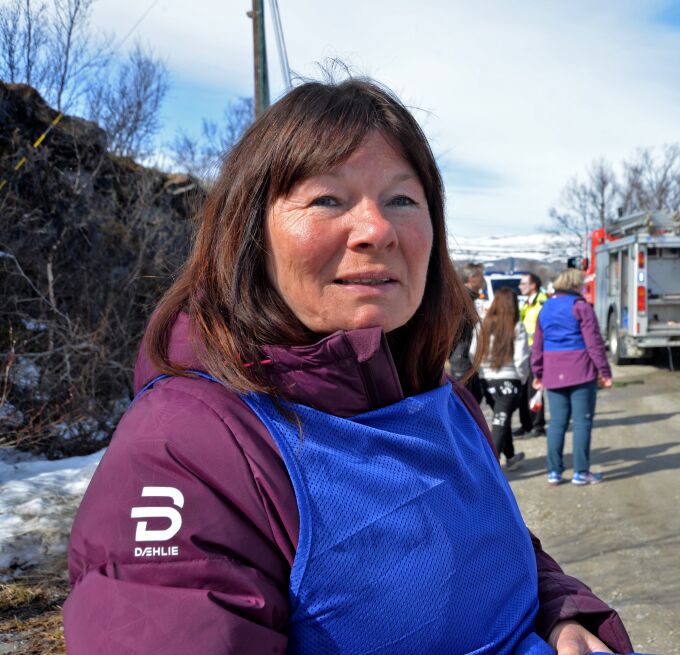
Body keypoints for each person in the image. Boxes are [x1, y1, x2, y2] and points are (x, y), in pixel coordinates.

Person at [63, 79, 633, 654]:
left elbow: (498, 547)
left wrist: (562, 613)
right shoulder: (190, 444)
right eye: (328, 199)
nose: (377, 230)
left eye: (402, 200)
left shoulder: (438, 392)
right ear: (250, 233)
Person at [531, 268, 613, 486]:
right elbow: (594, 343)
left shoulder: (545, 308)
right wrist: (604, 372)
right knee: (582, 423)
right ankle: (581, 472)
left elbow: (537, 345)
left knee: (557, 423)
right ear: (576, 285)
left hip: (552, 371)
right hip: (581, 371)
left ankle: (554, 472)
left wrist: (537, 372)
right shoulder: (581, 307)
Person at [471, 287, 529, 471]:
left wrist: (482, 372)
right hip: (510, 380)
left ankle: (510, 457)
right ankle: (488, 471)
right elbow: (522, 358)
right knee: (500, 423)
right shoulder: (516, 325)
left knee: (501, 419)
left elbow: (473, 352)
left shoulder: (482, 325)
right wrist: (523, 378)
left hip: (487, 381)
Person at [451, 261, 489, 404]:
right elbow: (455, 327)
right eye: (481, 276)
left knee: (474, 397)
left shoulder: (471, 298)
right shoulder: (462, 298)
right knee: (466, 400)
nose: (483, 280)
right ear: (471, 278)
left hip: (468, 354)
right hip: (462, 355)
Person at [517, 272, 548, 437]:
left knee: (534, 388)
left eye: (523, 283)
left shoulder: (542, 302)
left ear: (533, 285)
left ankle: (538, 425)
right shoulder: (527, 303)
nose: (520, 286)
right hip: (525, 350)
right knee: (523, 389)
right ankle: (526, 424)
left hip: (536, 351)